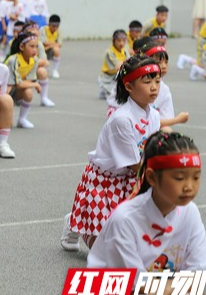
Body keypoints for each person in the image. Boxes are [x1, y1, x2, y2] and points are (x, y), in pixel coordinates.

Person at [63, 131, 206, 295]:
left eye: (196, 177)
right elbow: (137, 286)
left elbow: (200, 277)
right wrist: (177, 285)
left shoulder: (191, 212)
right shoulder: (125, 218)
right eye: (179, 178)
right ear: (151, 177)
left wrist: (168, 288)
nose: (189, 186)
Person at [61, 55, 161, 252]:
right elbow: (135, 164)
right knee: (104, 253)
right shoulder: (121, 120)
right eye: (147, 81)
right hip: (104, 183)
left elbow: (150, 152)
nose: (154, 87)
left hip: (131, 178)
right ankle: (76, 219)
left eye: (157, 81)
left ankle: (79, 217)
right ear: (129, 87)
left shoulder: (155, 115)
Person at [141, 42, 189, 128]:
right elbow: (141, 122)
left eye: (166, 62)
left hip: (151, 128)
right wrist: (178, 119)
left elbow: (162, 120)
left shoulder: (164, 89)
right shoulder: (138, 85)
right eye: (159, 62)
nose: (163, 66)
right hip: (133, 130)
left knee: (167, 131)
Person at [5, 32, 42, 128]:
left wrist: (29, 84)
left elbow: (29, 80)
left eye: (36, 47)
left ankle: (22, 119)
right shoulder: (14, 60)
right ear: (22, 47)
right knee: (6, 90)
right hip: (3, 88)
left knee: (28, 92)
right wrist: (36, 85)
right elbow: (17, 84)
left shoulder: (34, 60)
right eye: (31, 46)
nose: (35, 50)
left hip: (14, 87)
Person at [98, 30, 129, 100]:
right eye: (119, 41)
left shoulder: (125, 51)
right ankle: (102, 88)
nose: (121, 43)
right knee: (114, 96)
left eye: (124, 40)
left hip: (118, 76)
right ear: (113, 41)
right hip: (108, 78)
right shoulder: (109, 52)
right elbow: (118, 66)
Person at [40, 14, 62, 79]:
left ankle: (55, 70)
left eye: (57, 26)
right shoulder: (43, 30)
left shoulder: (58, 31)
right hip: (42, 50)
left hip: (49, 49)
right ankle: (44, 69)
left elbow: (60, 44)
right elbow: (44, 43)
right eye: (53, 26)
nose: (55, 28)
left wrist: (50, 45)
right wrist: (54, 43)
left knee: (57, 50)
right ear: (49, 24)